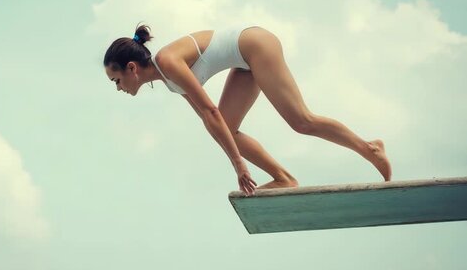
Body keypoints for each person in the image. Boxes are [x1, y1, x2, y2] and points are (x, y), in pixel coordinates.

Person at [103, 24, 392, 195]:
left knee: (301, 121)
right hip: (243, 62)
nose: (118, 87)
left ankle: (370, 148)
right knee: (225, 130)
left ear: (131, 68)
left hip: (255, 45)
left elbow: (210, 111)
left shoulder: (167, 62)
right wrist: (236, 158)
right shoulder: (168, 80)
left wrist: (239, 165)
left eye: (116, 80)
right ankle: (284, 179)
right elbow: (214, 124)